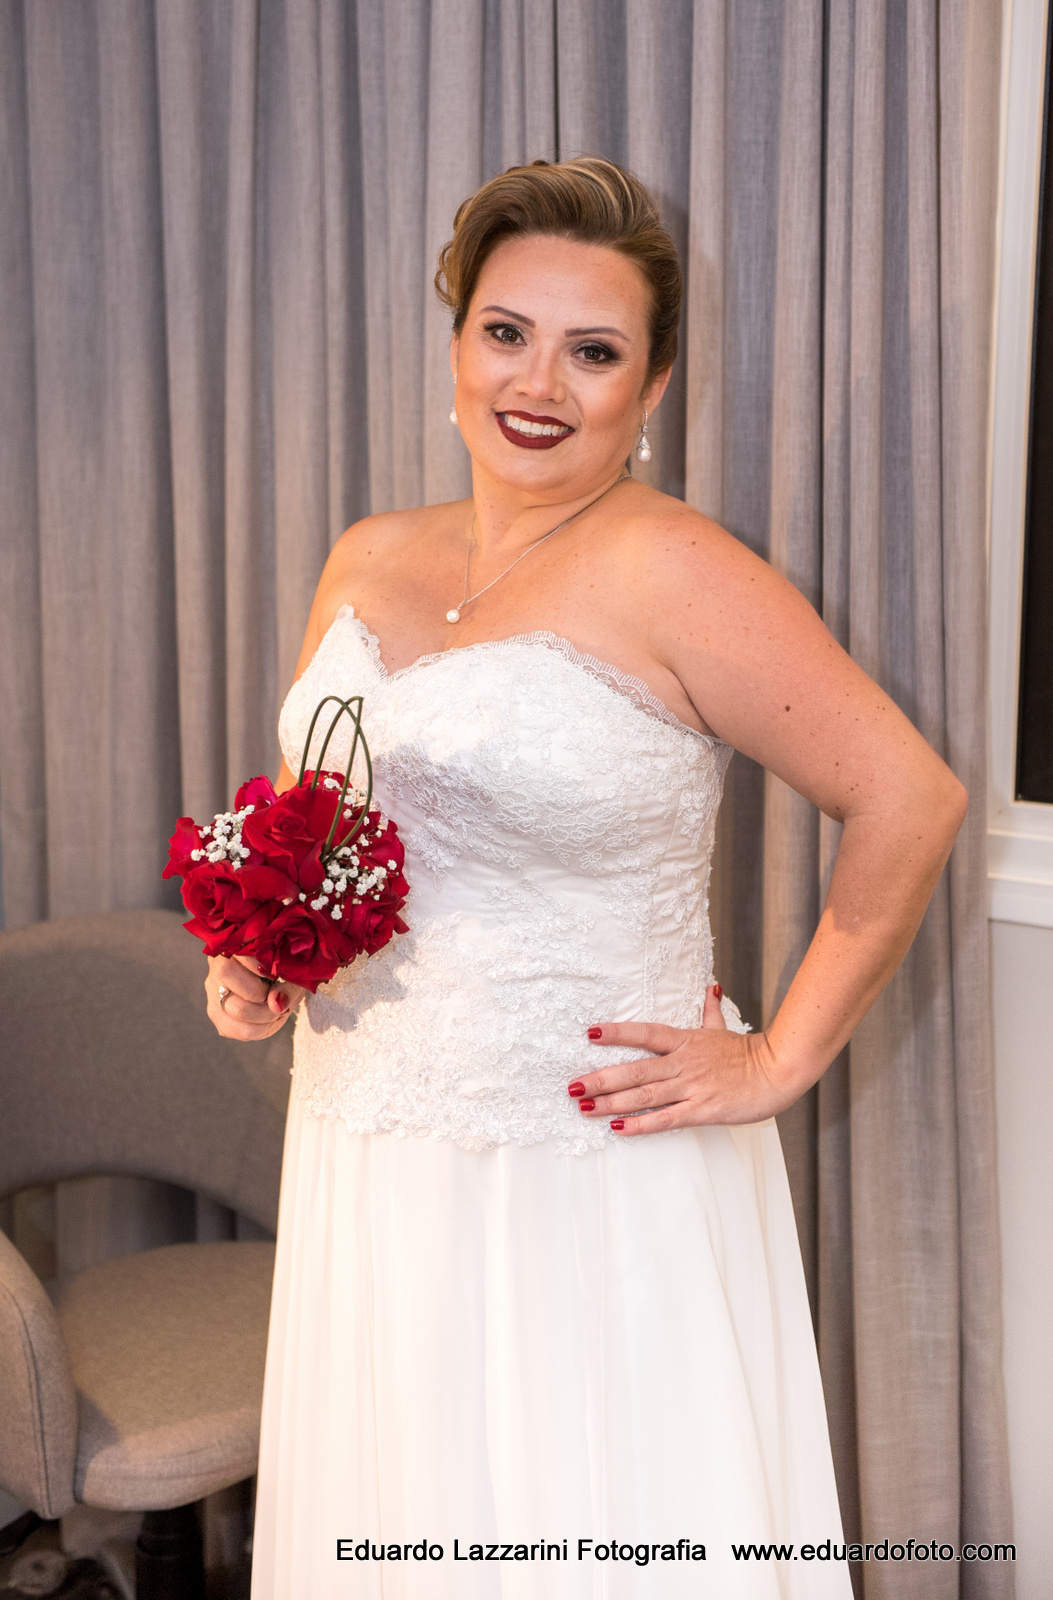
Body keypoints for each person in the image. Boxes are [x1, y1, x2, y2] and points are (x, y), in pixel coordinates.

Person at [206, 158, 966, 1597]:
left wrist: (781, 1058)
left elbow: (908, 800)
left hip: (583, 1167)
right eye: (507, 331)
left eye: (594, 351)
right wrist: (263, 948)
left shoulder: (679, 571)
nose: (538, 382)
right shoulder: (367, 556)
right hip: (372, 1137)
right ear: (456, 346)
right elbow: (328, 810)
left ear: (653, 387)